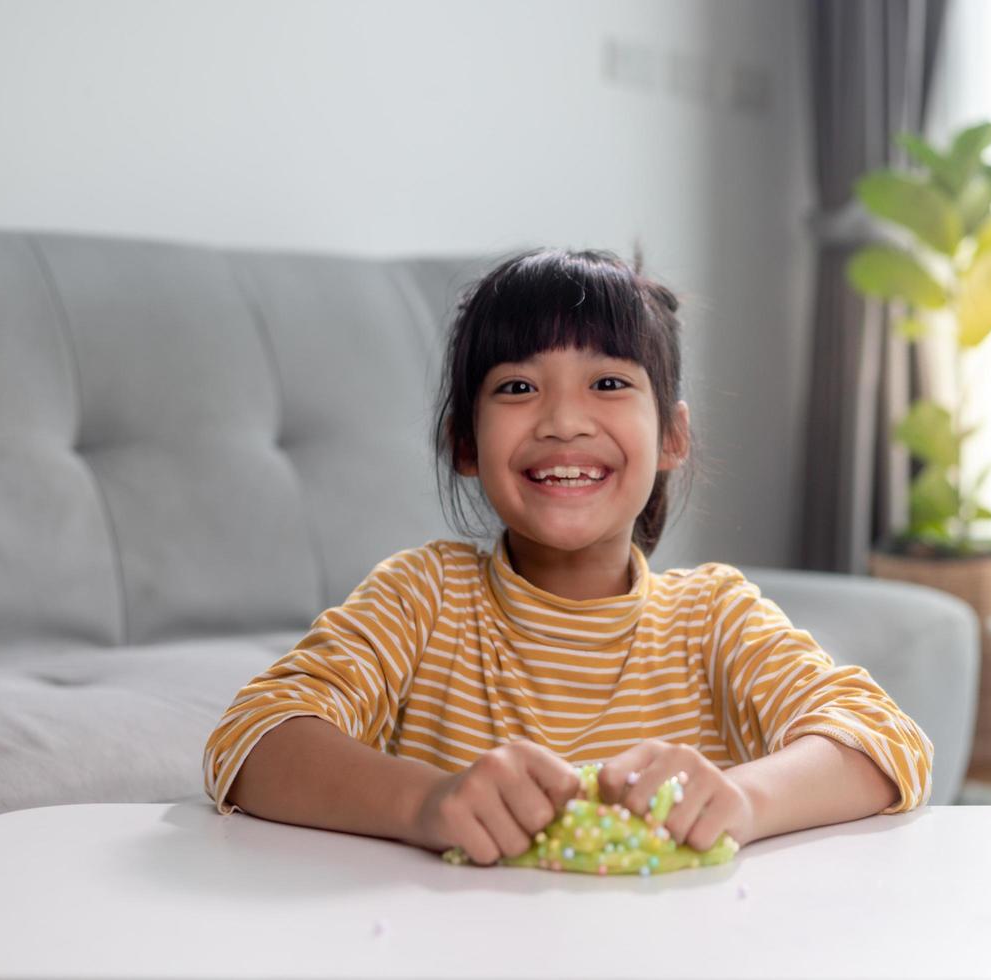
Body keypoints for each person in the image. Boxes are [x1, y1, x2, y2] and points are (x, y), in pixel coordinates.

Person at [202, 247, 934, 866]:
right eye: (517, 387)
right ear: (464, 442)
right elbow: (253, 738)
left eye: (609, 383)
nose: (562, 421)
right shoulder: (422, 597)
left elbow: (885, 741)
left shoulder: (714, 617)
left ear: (673, 437)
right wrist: (429, 802)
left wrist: (742, 798)